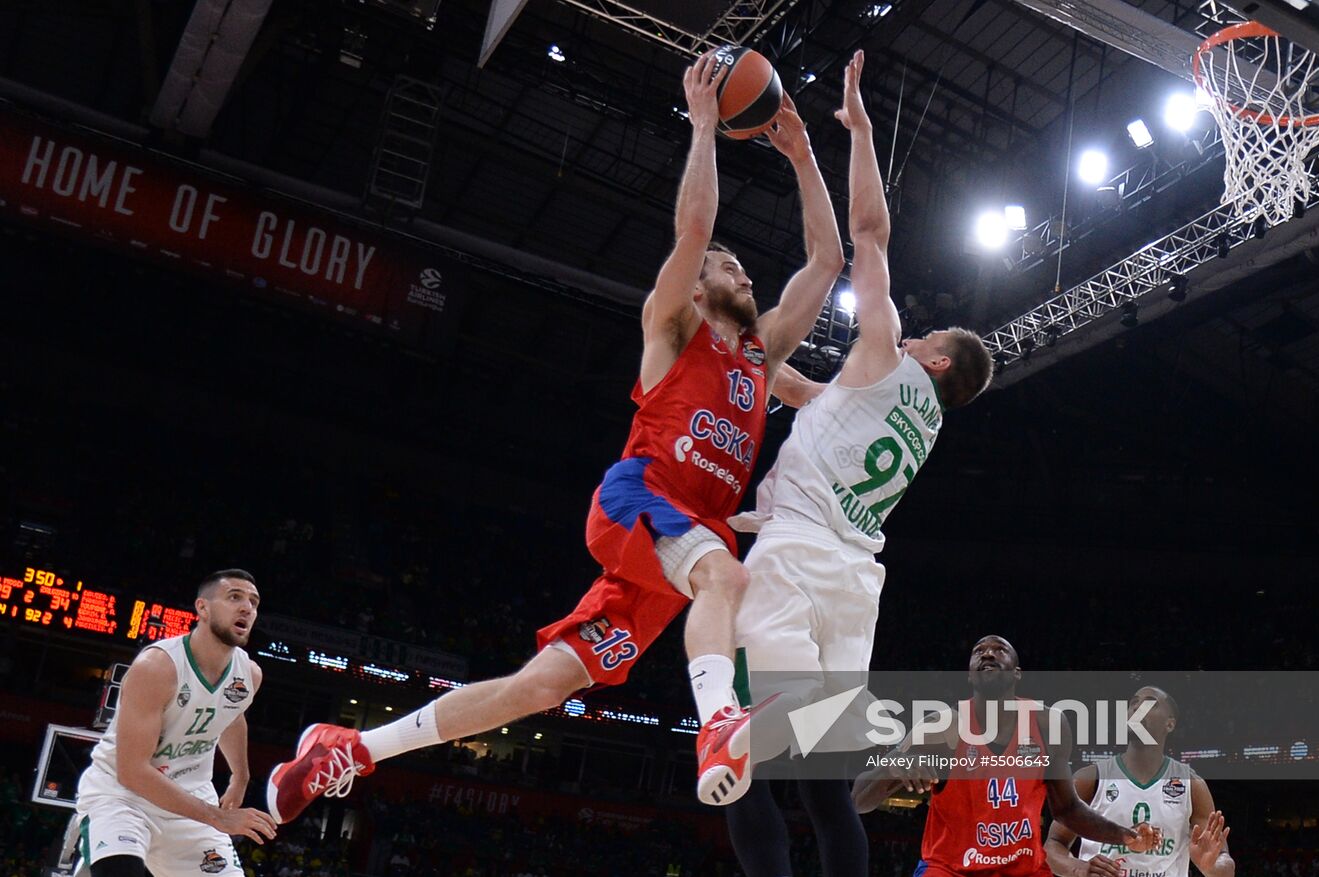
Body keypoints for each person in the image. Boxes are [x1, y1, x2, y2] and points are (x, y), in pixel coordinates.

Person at [266, 50, 844, 821]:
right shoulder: (672, 330)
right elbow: (696, 225)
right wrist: (704, 126)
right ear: (697, 287)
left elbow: (827, 259)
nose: (745, 275)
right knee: (726, 578)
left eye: (744, 270)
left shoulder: (758, 356)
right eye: (730, 269)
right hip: (643, 499)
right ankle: (719, 722)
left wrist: (805, 158)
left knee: (539, 687)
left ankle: (350, 747)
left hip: (674, 553)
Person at [724, 50, 994, 877]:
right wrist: (765, 370)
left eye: (927, 339)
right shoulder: (922, 419)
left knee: (739, 761)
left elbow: (868, 233)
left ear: (938, 363)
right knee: (823, 787)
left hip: (799, 559)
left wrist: (859, 130)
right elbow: (821, 399)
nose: (913, 334)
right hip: (854, 583)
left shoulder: (890, 355)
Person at [851, 636, 1162, 877]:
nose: (987, 653)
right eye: (978, 651)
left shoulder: (1048, 724)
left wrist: (1125, 835)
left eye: (999, 649)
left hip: (1023, 869)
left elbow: (1066, 808)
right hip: (951, 869)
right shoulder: (941, 727)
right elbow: (858, 801)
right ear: (970, 677)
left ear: (1017, 673)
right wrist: (895, 766)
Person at [74, 570, 273, 877]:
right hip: (122, 796)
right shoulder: (157, 667)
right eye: (234, 597)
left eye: (253, 602)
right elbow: (133, 771)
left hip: (191, 801)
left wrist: (241, 775)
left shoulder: (249, 675)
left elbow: (232, 714)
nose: (247, 607)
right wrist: (218, 818)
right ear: (202, 608)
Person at [1044, 686, 1236, 877]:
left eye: (1149, 704)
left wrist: (1212, 867)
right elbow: (1053, 845)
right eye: (1133, 703)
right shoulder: (1091, 778)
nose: (1137, 708)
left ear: (1169, 724)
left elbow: (1224, 863)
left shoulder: (1192, 785)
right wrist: (1079, 868)